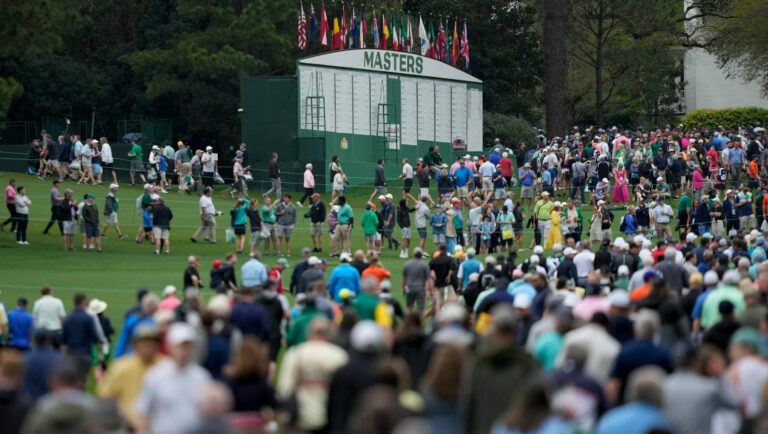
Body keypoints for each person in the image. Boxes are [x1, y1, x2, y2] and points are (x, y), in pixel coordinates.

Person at [135, 322, 212, 434]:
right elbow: (142, 410)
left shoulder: (202, 377)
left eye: (188, 346)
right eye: (180, 346)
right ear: (170, 346)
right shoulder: (155, 376)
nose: (184, 351)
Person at [278, 317, 348, 432]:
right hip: (332, 418)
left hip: (301, 418)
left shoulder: (295, 354)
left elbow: (285, 388)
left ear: (309, 333)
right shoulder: (340, 355)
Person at [98, 324, 164, 429]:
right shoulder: (121, 366)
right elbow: (105, 395)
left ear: (157, 345)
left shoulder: (166, 366)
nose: (147, 346)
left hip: (160, 423)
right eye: (143, 342)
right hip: (127, 423)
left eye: (151, 342)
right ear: (135, 344)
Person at [60, 293, 99, 358]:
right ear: (83, 302)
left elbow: (64, 340)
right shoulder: (88, 317)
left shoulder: (68, 318)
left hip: (71, 353)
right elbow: (94, 337)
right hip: (85, 352)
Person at [402, 248, 431, 314]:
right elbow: (428, 279)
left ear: (414, 254)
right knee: (420, 308)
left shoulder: (407, 264)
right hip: (420, 289)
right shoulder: (425, 265)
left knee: (409, 307)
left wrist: (403, 287)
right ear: (421, 255)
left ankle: (409, 319)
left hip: (409, 288)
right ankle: (419, 319)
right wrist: (429, 290)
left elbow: (404, 278)